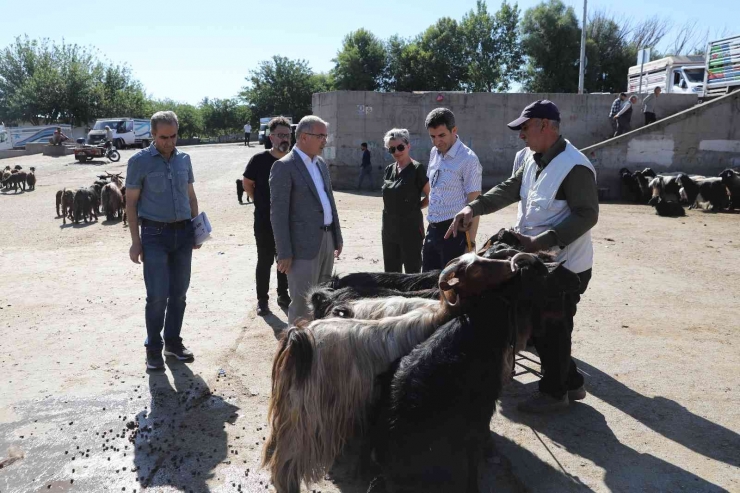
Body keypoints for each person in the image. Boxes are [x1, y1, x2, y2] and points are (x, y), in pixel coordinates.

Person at [445, 100, 598, 414]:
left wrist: (540, 242)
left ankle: (556, 393)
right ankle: (571, 382)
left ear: (544, 125)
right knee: (541, 326)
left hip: (565, 266)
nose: (520, 136)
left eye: (524, 128)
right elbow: (509, 188)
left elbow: (587, 215)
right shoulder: (532, 158)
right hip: (536, 262)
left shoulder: (575, 166)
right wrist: (473, 207)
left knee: (552, 327)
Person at [125, 111, 201, 371]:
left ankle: (173, 342)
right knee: (157, 295)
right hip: (154, 236)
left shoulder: (184, 159)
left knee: (179, 294)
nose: (169, 142)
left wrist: (196, 228)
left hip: (183, 234)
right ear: (152, 135)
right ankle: (153, 348)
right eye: (163, 137)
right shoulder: (139, 162)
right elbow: (131, 204)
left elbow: (190, 196)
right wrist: (136, 242)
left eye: (173, 136)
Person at [270, 115, 343, 324]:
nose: (324, 141)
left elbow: (329, 201)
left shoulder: (320, 164)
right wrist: (283, 252)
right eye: (320, 136)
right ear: (303, 137)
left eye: (325, 136)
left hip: (326, 240)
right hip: (301, 247)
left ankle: (317, 347)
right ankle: (297, 352)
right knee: (302, 304)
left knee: (324, 300)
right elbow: (278, 214)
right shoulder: (284, 167)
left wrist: (337, 236)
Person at [422, 108, 482, 272]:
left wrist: (470, 245)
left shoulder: (468, 159)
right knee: (426, 286)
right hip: (432, 230)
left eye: (442, 135)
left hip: (455, 234)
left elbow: (475, 204)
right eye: (432, 137)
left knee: (451, 289)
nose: (437, 142)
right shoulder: (434, 152)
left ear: (454, 130)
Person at [243, 117, 292, 316]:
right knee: (264, 261)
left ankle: (283, 294)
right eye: (280, 135)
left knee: (285, 259)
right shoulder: (259, 160)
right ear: (271, 137)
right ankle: (262, 300)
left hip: (289, 221)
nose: (285, 139)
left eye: (287, 135)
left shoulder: (294, 160)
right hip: (264, 221)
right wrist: (258, 201)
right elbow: (247, 183)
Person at [381, 128, 430, 273]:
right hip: (389, 229)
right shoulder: (389, 169)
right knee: (391, 273)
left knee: (412, 272)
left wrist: (416, 207)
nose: (396, 152)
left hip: (411, 230)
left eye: (400, 147)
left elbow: (430, 195)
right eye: (392, 149)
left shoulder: (417, 169)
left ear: (408, 146)